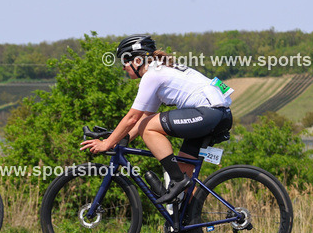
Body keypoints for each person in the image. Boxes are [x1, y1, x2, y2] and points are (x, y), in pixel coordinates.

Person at [80, 35, 233, 205]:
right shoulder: (160, 70)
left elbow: (133, 118)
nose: (123, 68)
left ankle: (176, 179)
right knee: (185, 173)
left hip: (209, 113)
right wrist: (121, 140)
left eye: (124, 62)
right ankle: (189, 225)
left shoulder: (152, 75)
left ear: (137, 60)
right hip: (217, 115)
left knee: (152, 133)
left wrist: (107, 143)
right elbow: (144, 117)